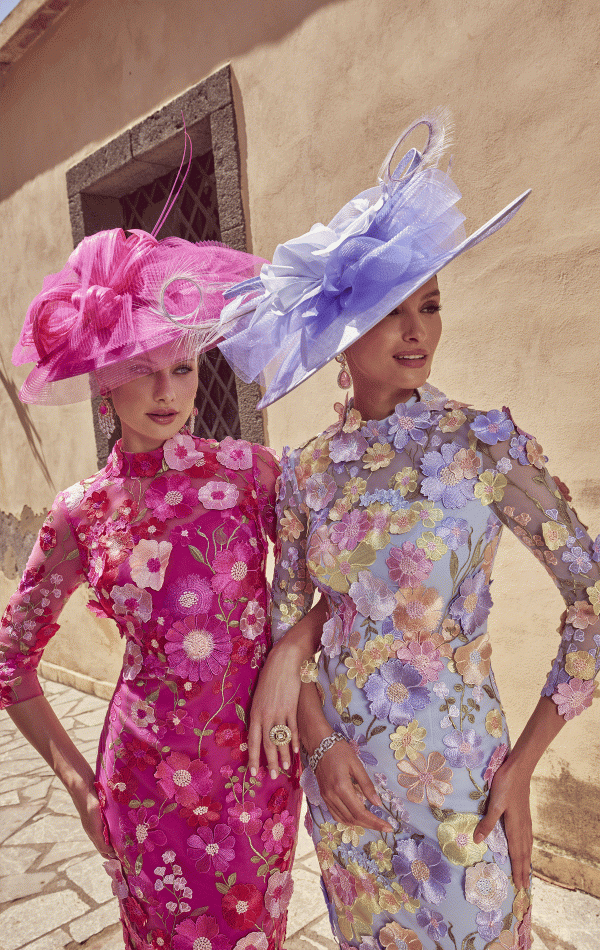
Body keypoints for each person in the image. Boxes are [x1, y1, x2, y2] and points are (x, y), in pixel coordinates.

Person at [217, 113, 600, 949]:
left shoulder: (482, 443)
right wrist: (318, 747)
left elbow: (593, 600)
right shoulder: (308, 469)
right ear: (339, 335)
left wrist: (526, 759)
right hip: (349, 787)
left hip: (465, 777)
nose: (417, 330)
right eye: (391, 311)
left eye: (428, 304)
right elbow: (292, 629)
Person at [0, 225, 326, 950]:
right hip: (144, 788)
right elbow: (9, 662)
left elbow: (328, 586)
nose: (165, 391)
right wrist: (83, 790)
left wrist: (287, 658)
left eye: (181, 367)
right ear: (99, 374)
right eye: (140, 368)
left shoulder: (250, 473)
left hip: (257, 775)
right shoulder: (81, 512)